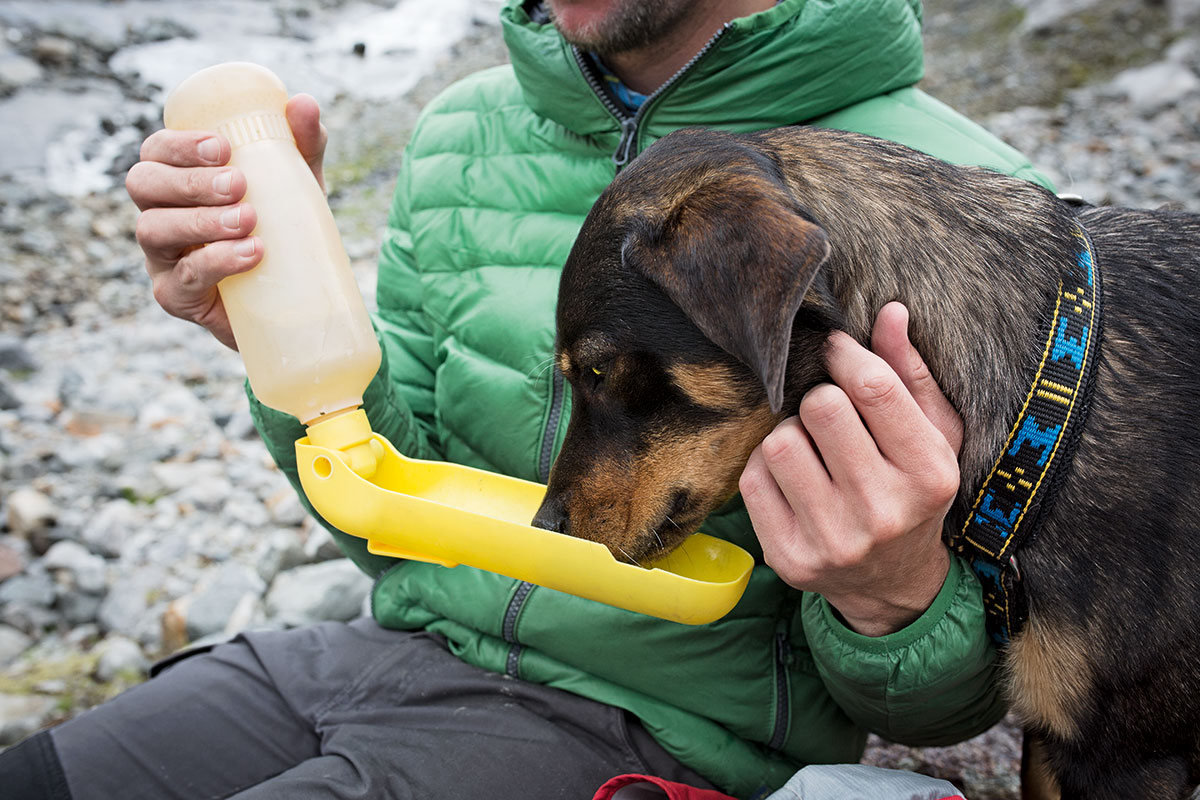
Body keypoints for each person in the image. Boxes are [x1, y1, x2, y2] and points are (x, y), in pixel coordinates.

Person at [3, 1, 1054, 798]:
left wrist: (889, 591)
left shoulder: (971, 214)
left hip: (642, 734)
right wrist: (276, 339)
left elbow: (963, 698)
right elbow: (392, 532)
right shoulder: (463, 132)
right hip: (378, 652)